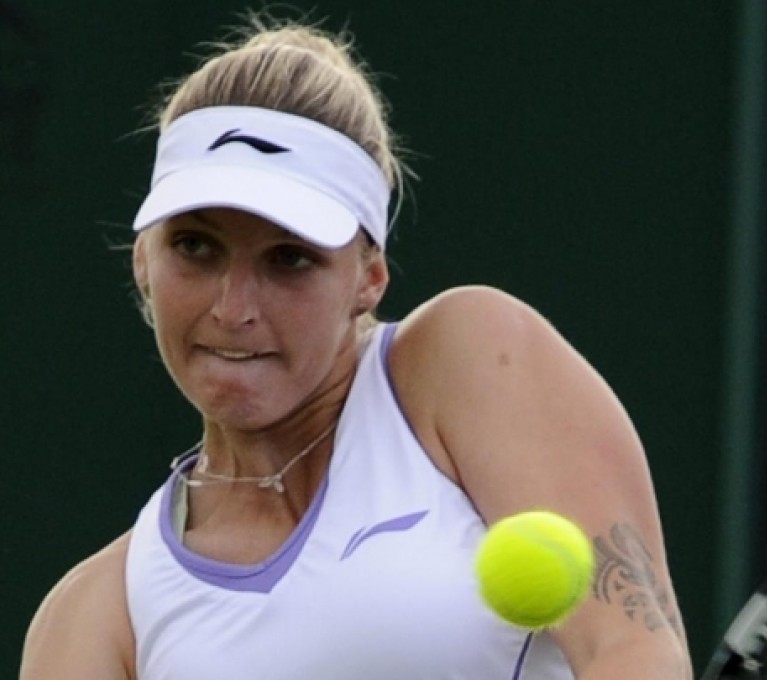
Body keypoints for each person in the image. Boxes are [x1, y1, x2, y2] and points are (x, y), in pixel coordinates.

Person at [20, 14, 693, 680]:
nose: (234, 309)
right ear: (144, 261)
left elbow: (633, 653)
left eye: (289, 260)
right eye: (196, 247)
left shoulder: (469, 359)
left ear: (368, 277)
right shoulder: (93, 617)